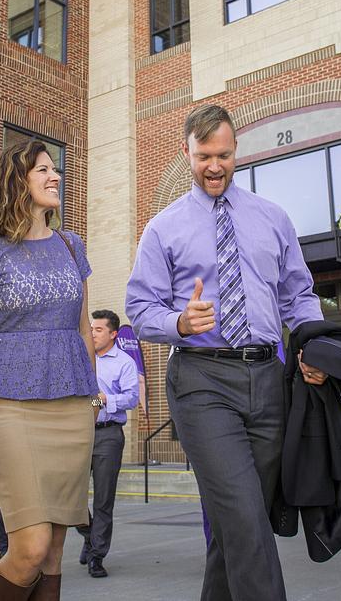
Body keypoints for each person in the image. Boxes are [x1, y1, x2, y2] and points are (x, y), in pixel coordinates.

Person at [126, 103, 327, 601]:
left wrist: (312, 345)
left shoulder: (272, 218)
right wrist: (177, 322)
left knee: (242, 520)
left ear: (236, 151)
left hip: (269, 377)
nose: (214, 166)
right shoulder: (163, 227)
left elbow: (298, 295)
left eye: (223, 155)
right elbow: (138, 306)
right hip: (201, 380)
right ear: (186, 153)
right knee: (241, 511)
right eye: (203, 156)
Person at [0, 139, 97, 601]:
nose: (55, 176)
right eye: (42, 170)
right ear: (16, 181)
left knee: (54, 550)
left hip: (73, 407)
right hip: (7, 407)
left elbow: (82, 330)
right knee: (30, 547)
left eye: (55, 169)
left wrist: (93, 399)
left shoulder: (72, 245)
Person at [78, 309, 140, 578]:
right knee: (71, 495)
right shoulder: (81, 358)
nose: (92, 333)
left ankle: (97, 556)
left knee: (103, 499)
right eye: (91, 328)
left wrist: (102, 399)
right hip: (79, 434)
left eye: (98, 329)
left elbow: (131, 399)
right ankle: (90, 534)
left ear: (113, 334)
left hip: (108, 435)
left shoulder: (124, 363)